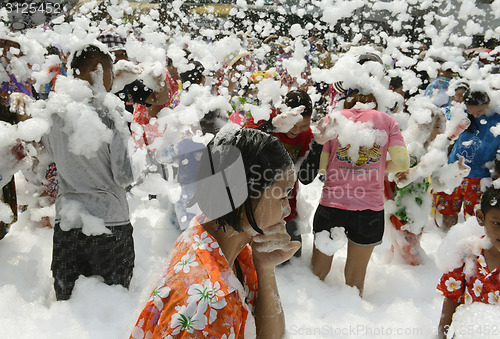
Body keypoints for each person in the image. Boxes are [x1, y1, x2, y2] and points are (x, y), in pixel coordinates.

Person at [130, 126, 301, 338]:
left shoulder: (211, 234)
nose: (287, 210)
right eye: (282, 196)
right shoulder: (209, 306)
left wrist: (264, 267)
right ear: (239, 198)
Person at [41, 45, 135, 300]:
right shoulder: (110, 114)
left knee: (68, 309)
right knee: (113, 308)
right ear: (97, 71)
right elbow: (124, 176)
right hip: (110, 224)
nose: (112, 79)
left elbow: (49, 159)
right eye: (110, 71)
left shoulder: (53, 113)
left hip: (68, 223)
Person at [311, 89, 409, 295]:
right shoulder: (388, 121)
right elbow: (402, 162)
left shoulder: (334, 119)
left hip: (332, 203)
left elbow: (321, 167)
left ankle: (316, 319)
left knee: (315, 276)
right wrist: (380, 166)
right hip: (369, 208)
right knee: (355, 282)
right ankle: (351, 322)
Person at [245, 89, 325, 258]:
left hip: (286, 208)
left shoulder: (306, 135)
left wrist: (318, 146)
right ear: (283, 112)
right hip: (255, 205)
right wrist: (272, 126)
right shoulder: (266, 118)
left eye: (303, 126)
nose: (296, 130)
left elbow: (305, 178)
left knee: (290, 261)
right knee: (254, 263)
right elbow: (243, 145)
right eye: (293, 124)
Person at [437, 185, 500, 338]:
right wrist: (441, 335)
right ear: (480, 217)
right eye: (497, 223)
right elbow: (452, 297)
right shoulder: (468, 253)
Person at [433, 89, 500, 230]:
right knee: (447, 210)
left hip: (479, 175)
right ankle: (445, 240)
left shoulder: (497, 119)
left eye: (479, 112)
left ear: (487, 103)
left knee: (474, 216)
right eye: (472, 112)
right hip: (454, 168)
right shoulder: (461, 114)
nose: (475, 115)